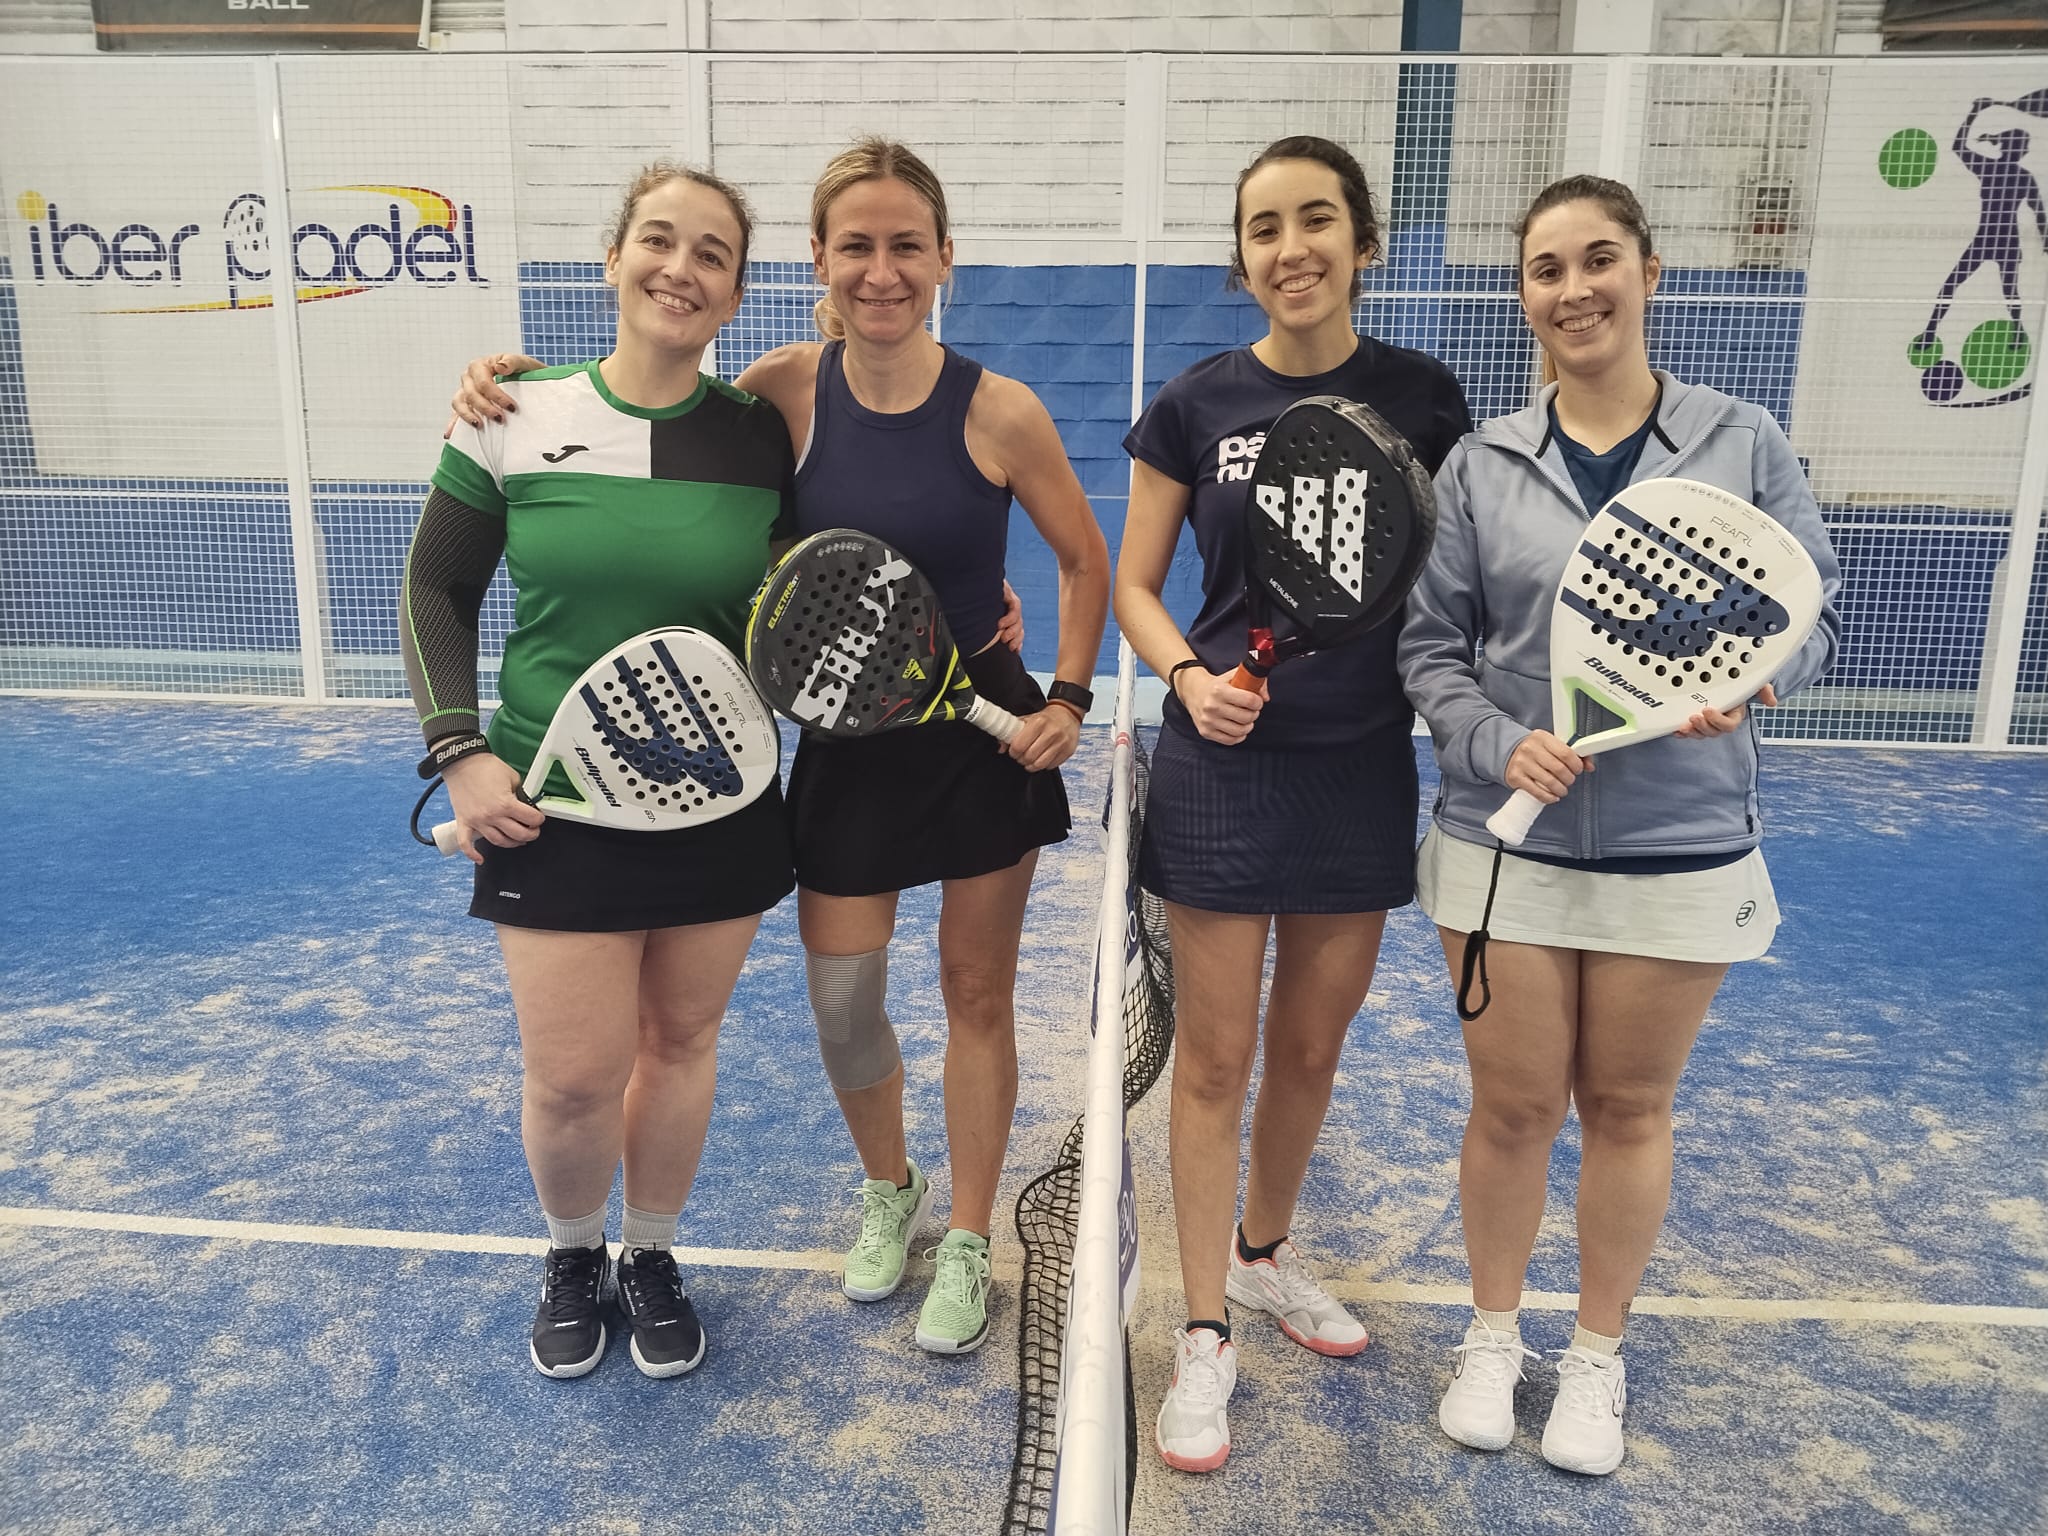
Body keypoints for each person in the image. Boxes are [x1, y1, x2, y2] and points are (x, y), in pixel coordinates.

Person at [454, 137, 1110, 1359]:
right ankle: (890, 1188)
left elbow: (1082, 556)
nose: (880, 269)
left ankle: (971, 1236)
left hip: (980, 735)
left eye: (905, 244)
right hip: (849, 738)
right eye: (854, 245)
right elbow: (682, 462)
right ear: (816, 260)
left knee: (976, 994)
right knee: (844, 1003)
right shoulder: (778, 396)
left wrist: (1068, 695)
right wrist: (517, 386)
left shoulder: (1001, 409)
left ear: (944, 258)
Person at [1398, 174, 1841, 1476]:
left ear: (1649, 272)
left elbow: (1808, 611)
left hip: (1680, 843)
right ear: (1521, 296)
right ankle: (1492, 1338)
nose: (1574, 288)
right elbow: (1431, 649)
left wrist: (1754, 683)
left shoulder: (1742, 440)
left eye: (1599, 259)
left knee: (1628, 1107)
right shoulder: (1481, 463)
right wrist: (1496, 743)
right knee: (1512, 1108)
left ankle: (1595, 1356)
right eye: (1545, 269)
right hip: (1503, 846)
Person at [1112, 135, 1472, 1473]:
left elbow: (1458, 578)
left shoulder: (1425, 400)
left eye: (1315, 220)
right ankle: (1204, 1327)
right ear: (1242, 256)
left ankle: (1262, 1255)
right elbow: (1137, 586)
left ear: (1362, 244)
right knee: (1213, 1062)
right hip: (1221, 768)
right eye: (1263, 227)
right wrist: (1186, 678)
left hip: (1360, 765)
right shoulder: (1194, 405)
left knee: (1311, 1049)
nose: (1290, 248)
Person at [402, 162, 796, 1383]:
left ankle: (652, 1254)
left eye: (712, 253)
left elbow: (807, 591)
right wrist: (459, 754)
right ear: (613, 258)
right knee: (574, 1078)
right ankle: (574, 1253)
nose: (681, 268)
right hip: (548, 804)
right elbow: (435, 587)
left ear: (736, 293)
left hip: (720, 795)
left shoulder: (762, 437)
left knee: (681, 1043)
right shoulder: (508, 413)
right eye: (658, 241)